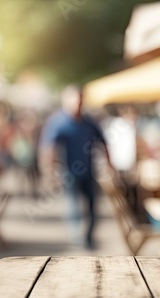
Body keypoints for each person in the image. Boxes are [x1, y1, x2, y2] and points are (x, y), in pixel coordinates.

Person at [40, 85, 113, 249]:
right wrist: (50, 172)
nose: (78, 103)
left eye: (80, 100)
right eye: (74, 100)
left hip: (89, 171)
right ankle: (77, 237)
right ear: (66, 101)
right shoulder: (57, 122)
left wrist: (109, 165)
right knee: (74, 207)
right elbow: (48, 148)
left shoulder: (89, 122)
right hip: (69, 173)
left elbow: (103, 143)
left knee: (93, 206)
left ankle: (88, 236)